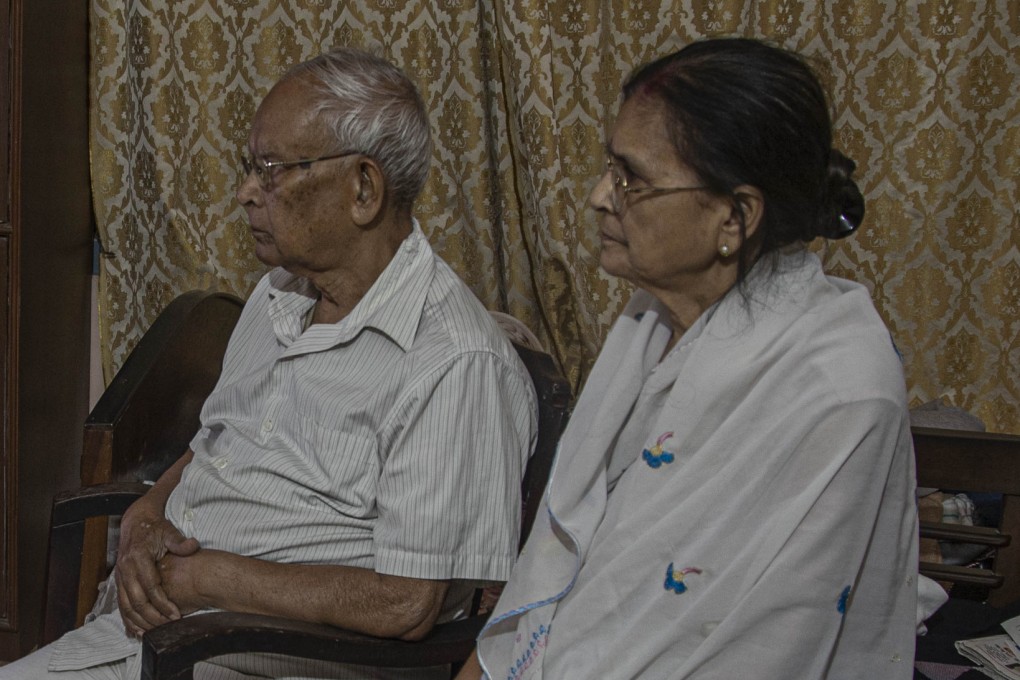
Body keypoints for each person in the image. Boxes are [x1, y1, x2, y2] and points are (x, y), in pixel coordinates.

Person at [4, 47, 537, 679]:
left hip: (257, 657)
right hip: (146, 636)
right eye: (248, 168)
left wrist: (210, 581)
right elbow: (217, 441)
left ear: (363, 188)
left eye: (271, 170)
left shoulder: (454, 361)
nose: (246, 193)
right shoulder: (279, 293)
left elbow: (406, 603)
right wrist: (147, 516)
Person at [456, 37, 919, 679]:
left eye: (633, 180)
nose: (598, 196)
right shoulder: (650, 316)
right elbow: (570, 568)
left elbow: (768, 645)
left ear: (735, 217)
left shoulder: (839, 390)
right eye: (610, 169)